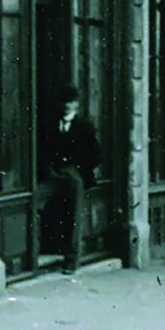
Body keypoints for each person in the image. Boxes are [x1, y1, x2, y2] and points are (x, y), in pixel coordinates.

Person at [48, 93, 103, 268]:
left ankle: (72, 260)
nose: (66, 105)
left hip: (75, 176)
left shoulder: (85, 126)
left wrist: (79, 170)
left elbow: (96, 154)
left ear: (76, 104)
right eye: (64, 101)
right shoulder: (51, 124)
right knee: (55, 212)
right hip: (54, 175)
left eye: (70, 101)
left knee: (73, 217)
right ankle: (54, 250)